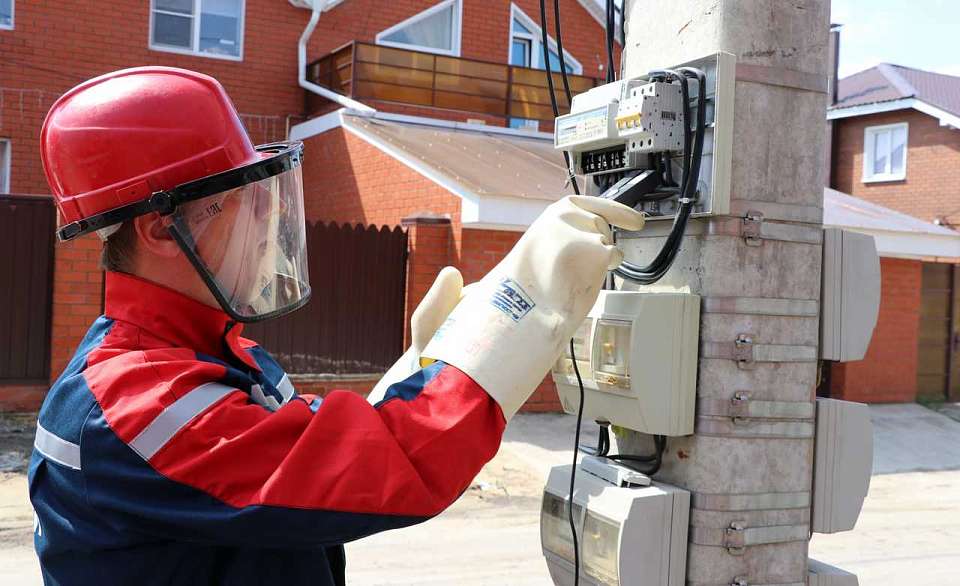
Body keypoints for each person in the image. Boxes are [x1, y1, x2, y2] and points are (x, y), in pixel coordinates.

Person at [29, 66, 645, 586]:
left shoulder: (203, 354)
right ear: (161, 230)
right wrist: (519, 306)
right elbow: (394, 468)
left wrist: (425, 367)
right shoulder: (135, 401)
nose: (265, 234)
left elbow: (317, 463)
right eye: (242, 209)